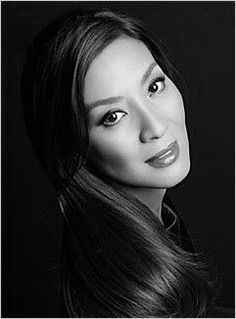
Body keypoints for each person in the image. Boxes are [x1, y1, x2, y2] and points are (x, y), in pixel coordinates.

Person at [21, 8, 216, 317]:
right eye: (112, 116)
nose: (156, 127)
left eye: (154, 86)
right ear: (74, 148)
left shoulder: (152, 225)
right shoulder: (122, 299)